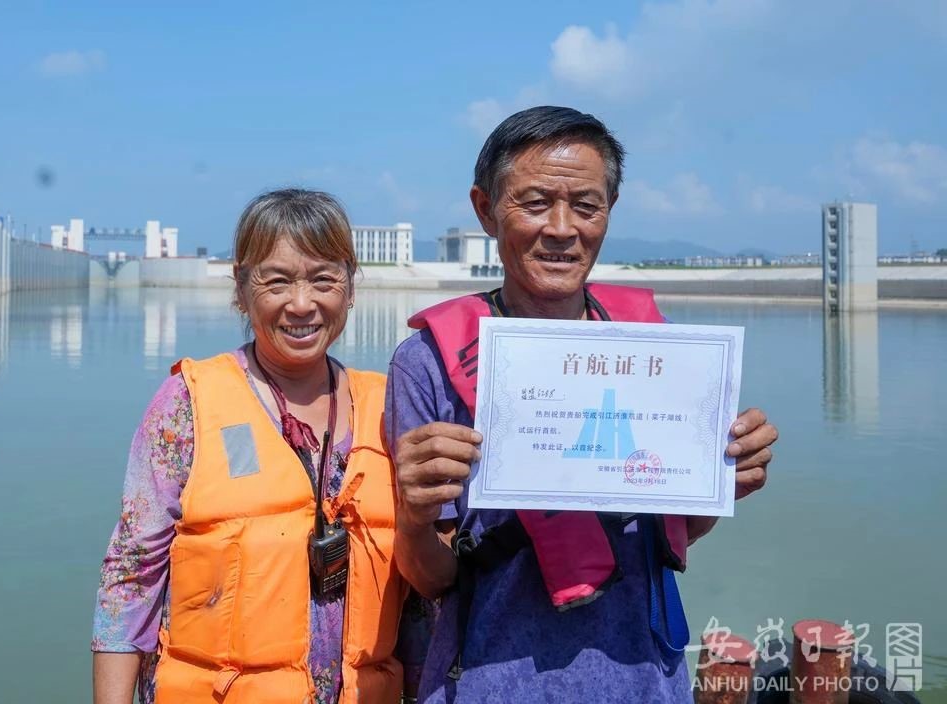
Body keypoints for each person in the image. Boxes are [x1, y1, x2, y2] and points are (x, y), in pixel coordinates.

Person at [386, 106, 780, 703]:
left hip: (644, 677)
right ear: (485, 209)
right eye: (536, 202)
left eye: (586, 206)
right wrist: (414, 516)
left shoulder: (654, 346)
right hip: (490, 680)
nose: (563, 228)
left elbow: (674, 535)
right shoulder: (428, 363)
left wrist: (724, 476)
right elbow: (431, 577)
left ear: (609, 213)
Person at [92, 189, 411, 703]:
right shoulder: (187, 405)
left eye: (324, 279)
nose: (302, 304)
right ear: (241, 289)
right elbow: (131, 575)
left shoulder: (389, 406)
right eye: (277, 280)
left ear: (350, 286)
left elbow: (420, 598)